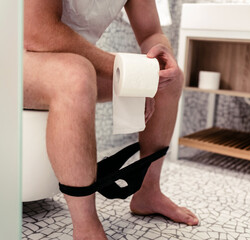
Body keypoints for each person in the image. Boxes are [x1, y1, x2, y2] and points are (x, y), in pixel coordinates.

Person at [23, 0, 199, 239]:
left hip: (69, 61)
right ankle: (85, 226)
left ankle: (148, 191)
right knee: (76, 75)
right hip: (17, 54)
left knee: (166, 79)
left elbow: (151, 33)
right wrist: (126, 73)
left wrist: (159, 58)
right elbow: (37, 31)